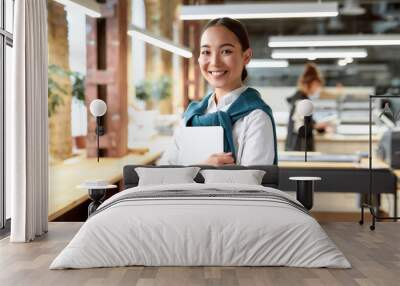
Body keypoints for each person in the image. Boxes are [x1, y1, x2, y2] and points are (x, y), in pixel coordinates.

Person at [159, 17, 277, 166]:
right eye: (206, 52)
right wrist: (203, 169)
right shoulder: (192, 115)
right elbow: (163, 171)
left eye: (226, 51)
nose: (214, 62)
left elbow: (251, 185)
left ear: (246, 56)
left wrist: (194, 172)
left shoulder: (256, 117)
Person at [285, 63, 327, 151]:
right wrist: (315, 126)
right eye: (317, 85)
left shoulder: (300, 99)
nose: (318, 89)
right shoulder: (301, 101)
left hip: (296, 147)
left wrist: (317, 126)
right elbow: (300, 129)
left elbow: (305, 121)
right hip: (300, 148)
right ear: (310, 84)